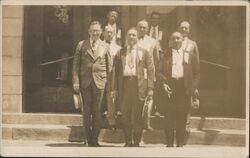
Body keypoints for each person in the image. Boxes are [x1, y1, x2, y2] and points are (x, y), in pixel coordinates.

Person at [156, 32, 200, 147]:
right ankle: (169, 143)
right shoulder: (165, 55)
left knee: (182, 116)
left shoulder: (190, 55)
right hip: (169, 87)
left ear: (182, 40)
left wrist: (193, 87)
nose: (176, 40)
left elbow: (196, 73)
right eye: (173, 38)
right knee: (169, 116)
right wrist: (164, 82)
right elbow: (158, 71)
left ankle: (180, 143)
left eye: (178, 38)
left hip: (184, 88)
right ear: (170, 40)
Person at [112, 27, 155, 147]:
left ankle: (136, 141)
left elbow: (151, 71)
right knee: (125, 114)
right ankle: (128, 141)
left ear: (137, 37)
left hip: (139, 86)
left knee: (138, 115)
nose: (131, 37)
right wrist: (114, 88)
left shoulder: (144, 52)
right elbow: (115, 72)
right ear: (126, 37)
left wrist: (150, 88)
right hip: (125, 85)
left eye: (134, 35)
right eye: (129, 35)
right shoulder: (120, 52)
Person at [72, 21, 111, 147]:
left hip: (100, 83)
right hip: (85, 83)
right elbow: (76, 65)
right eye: (93, 30)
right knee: (86, 112)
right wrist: (76, 82)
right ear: (89, 31)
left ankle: (95, 140)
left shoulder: (105, 46)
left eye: (97, 31)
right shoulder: (81, 45)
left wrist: (109, 84)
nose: (95, 33)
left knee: (98, 112)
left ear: (101, 32)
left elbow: (109, 67)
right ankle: (87, 139)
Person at [178, 21, 200, 144]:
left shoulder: (193, 44)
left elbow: (197, 67)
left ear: (189, 30)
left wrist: (195, 85)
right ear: (179, 29)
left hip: (188, 80)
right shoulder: (174, 40)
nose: (184, 30)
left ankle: (186, 127)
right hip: (175, 78)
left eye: (186, 28)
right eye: (182, 28)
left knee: (186, 104)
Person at [102, 25, 122, 128]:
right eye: (107, 32)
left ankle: (111, 122)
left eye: (111, 32)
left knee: (112, 98)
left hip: (113, 76)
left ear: (114, 34)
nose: (109, 34)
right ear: (103, 33)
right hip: (101, 76)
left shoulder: (118, 48)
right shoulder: (99, 46)